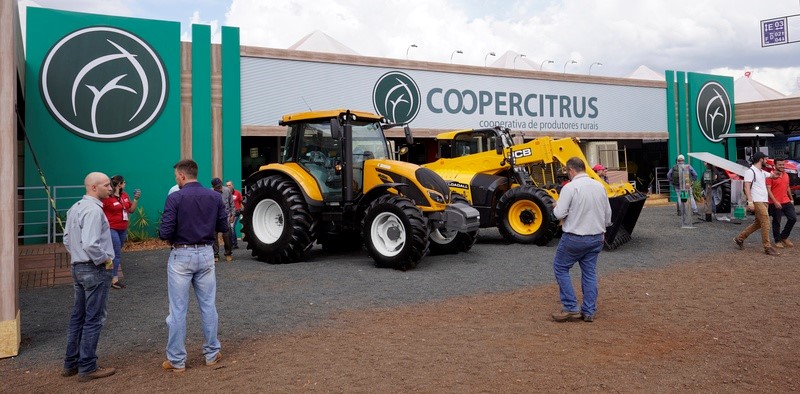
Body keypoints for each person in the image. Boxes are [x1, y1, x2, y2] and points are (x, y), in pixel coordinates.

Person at [159, 159, 227, 372]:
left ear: (181, 176)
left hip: (181, 254)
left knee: (178, 309)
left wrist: (171, 236)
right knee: (208, 305)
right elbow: (223, 226)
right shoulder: (215, 196)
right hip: (206, 253)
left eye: (176, 177)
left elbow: (165, 231)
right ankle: (211, 353)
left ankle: (177, 360)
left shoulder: (175, 198)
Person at [62, 172, 117, 382]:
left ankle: (71, 363)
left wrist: (78, 255)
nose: (110, 188)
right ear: (93, 187)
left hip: (78, 266)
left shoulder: (75, 208)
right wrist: (105, 260)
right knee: (93, 318)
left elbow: (67, 239)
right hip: (94, 269)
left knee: (78, 316)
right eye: (106, 185)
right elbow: (91, 243)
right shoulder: (94, 211)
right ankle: (87, 366)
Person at [551, 157, 612, 323]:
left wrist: (555, 206)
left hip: (575, 237)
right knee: (589, 273)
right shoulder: (599, 185)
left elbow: (559, 214)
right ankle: (589, 310)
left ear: (571, 171)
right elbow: (608, 215)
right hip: (597, 237)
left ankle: (571, 307)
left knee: (561, 267)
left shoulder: (570, 188)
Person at [734, 152, 781, 256]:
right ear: (760, 159)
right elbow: (746, 187)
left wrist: (777, 173)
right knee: (766, 222)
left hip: (763, 200)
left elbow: (773, 176)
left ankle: (740, 238)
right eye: (765, 159)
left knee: (758, 223)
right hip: (757, 200)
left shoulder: (761, 171)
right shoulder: (750, 172)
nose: (766, 161)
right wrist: (750, 202)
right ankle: (767, 247)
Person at [101, 175, 141, 289]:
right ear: (119, 184)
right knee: (116, 252)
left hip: (123, 228)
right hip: (111, 228)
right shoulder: (108, 198)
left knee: (115, 251)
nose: (125, 184)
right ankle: (114, 278)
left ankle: (106, 270)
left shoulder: (124, 195)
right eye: (124, 182)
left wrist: (136, 199)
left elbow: (131, 210)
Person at [766, 158, 796, 249]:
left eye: (783, 164)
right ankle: (777, 240)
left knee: (793, 218)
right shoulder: (770, 176)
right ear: (774, 165)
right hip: (774, 202)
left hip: (786, 201)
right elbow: (768, 190)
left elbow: (787, 187)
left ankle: (784, 237)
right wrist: (775, 201)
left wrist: (791, 199)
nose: (782, 166)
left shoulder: (786, 175)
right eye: (780, 165)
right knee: (776, 222)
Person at [211, 177, 234, 262]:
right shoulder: (210, 193)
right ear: (213, 187)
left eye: (220, 185)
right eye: (217, 186)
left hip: (225, 217)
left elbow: (232, 204)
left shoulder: (227, 191)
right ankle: (215, 254)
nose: (220, 187)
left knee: (227, 235)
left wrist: (233, 215)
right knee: (214, 236)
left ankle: (228, 253)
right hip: (214, 218)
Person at [226, 180, 243, 249]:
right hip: (228, 213)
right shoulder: (225, 193)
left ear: (232, 185)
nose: (228, 186)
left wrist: (243, 210)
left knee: (232, 227)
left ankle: (233, 244)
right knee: (229, 228)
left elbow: (241, 202)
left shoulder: (237, 193)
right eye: (227, 185)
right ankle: (234, 243)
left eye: (229, 185)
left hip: (236, 212)